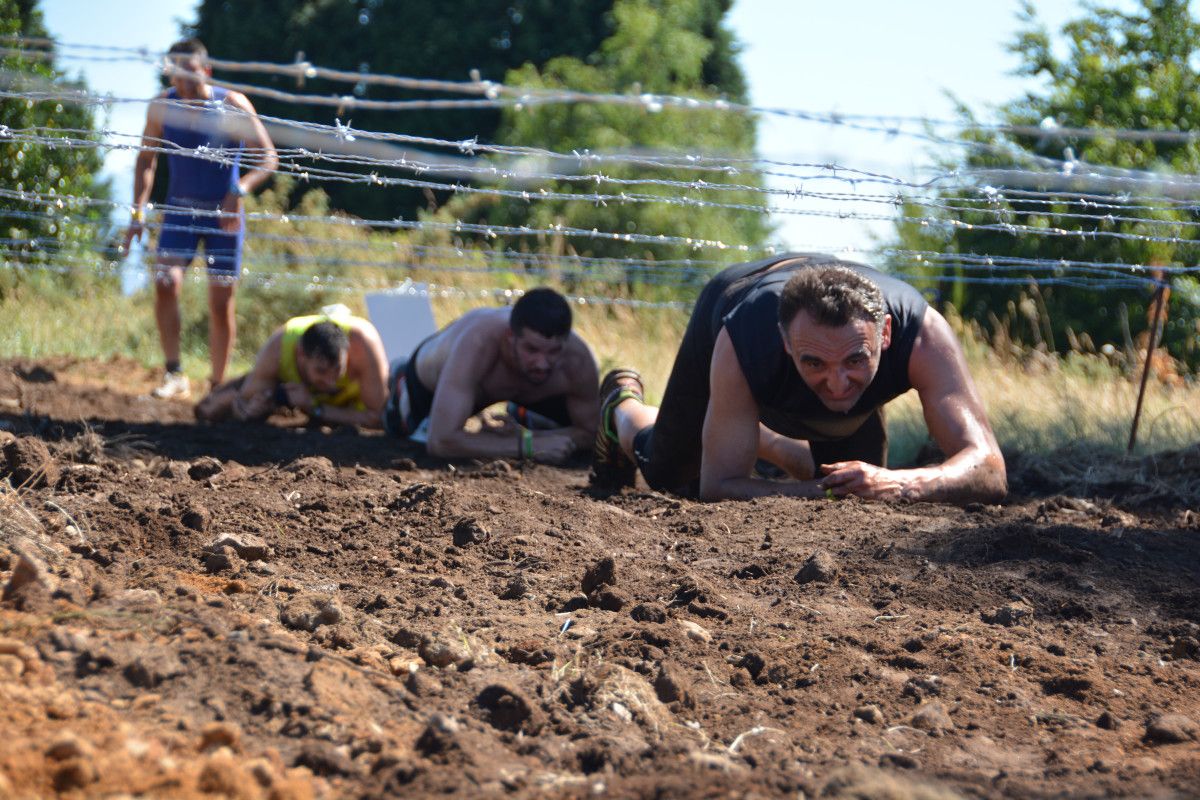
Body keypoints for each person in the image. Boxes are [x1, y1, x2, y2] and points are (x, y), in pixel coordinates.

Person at [591, 253, 1007, 504]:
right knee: (669, 472)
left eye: (855, 360)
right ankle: (623, 407)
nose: (839, 382)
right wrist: (819, 494)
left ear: (884, 336)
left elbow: (989, 468)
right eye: (815, 363)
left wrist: (893, 483)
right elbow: (717, 486)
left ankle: (761, 436)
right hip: (733, 296)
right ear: (786, 344)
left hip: (829, 328)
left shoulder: (923, 334)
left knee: (853, 487)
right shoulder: (745, 339)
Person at [123, 37, 278, 399]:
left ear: (206, 70)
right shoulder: (162, 106)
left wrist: (238, 192)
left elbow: (268, 158)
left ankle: (217, 385)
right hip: (180, 209)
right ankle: (175, 373)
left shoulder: (233, 104)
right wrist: (137, 211)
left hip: (225, 215)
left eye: (190, 74)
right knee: (165, 282)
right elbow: (147, 159)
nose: (184, 83)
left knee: (221, 299)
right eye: (176, 76)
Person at [383, 288, 600, 463]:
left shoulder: (577, 360)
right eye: (532, 350)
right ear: (510, 338)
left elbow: (591, 434)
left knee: (565, 428)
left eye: (554, 351)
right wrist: (528, 447)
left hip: (525, 391)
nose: (543, 363)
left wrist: (527, 437)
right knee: (404, 429)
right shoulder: (477, 343)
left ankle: (524, 413)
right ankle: (400, 378)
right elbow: (440, 441)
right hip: (430, 378)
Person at [195, 311, 388, 428]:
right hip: (283, 385)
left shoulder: (364, 346)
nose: (331, 381)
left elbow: (379, 418)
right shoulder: (280, 348)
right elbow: (244, 403)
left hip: (325, 404)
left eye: (338, 370)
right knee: (208, 409)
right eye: (321, 371)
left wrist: (315, 408)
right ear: (301, 355)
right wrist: (253, 410)